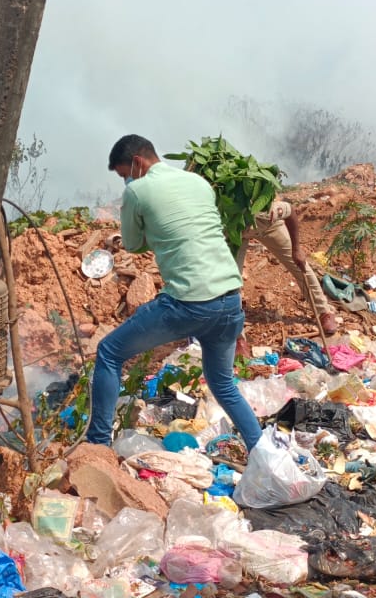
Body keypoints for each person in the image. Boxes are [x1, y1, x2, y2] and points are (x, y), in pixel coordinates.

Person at [87, 134, 263, 450]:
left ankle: (97, 446)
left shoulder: (138, 192)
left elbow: (132, 244)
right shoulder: (198, 183)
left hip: (188, 302)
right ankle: (263, 452)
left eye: (125, 173)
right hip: (229, 299)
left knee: (109, 353)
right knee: (223, 385)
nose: (126, 180)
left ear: (138, 163)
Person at [235, 199, 338, 335]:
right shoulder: (227, 217)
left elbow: (290, 212)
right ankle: (236, 334)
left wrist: (296, 249)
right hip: (238, 235)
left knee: (300, 266)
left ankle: (323, 311)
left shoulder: (269, 211)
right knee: (232, 280)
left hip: (271, 228)